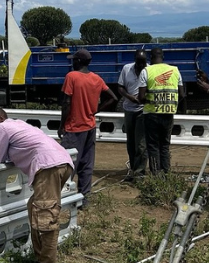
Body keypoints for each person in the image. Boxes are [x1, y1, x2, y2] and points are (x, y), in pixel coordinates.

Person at [0, 108, 74, 263]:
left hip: (47, 168)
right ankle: (41, 259)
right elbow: (8, 155)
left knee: (45, 221)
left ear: (0, 118)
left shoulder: (2, 128)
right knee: (34, 209)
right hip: (62, 163)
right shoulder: (19, 125)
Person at [58, 49, 116, 198]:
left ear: (78, 61)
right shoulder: (96, 79)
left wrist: (61, 125)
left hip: (74, 126)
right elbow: (113, 98)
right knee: (86, 163)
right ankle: (84, 197)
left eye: (73, 60)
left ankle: (63, 196)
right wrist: (95, 111)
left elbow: (66, 103)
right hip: (90, 126)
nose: (72, 62)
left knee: (67, 163)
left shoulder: (71, 77)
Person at [140, 47, 184, 175]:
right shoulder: (175, 70)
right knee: (165, 146)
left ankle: (156, 176)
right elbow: (182, 94)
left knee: (153, 146)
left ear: (151, 58)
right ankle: (166, 173)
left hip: (151, 114)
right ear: (163, 57)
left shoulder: (146, 71)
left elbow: (141, 97)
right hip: (168, 113)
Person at [113, 49, 149, 180]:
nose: (141, 66)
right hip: (129, 109)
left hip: (143, 110)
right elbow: (120, 88)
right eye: (138, 62)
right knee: (131, 142)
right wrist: (129, 97)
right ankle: (133, 169)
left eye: (143, 62)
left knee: (141, 143)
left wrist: (143, 98)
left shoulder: (149, 70)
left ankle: (140, 172)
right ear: (135, 60)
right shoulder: (126, 69)